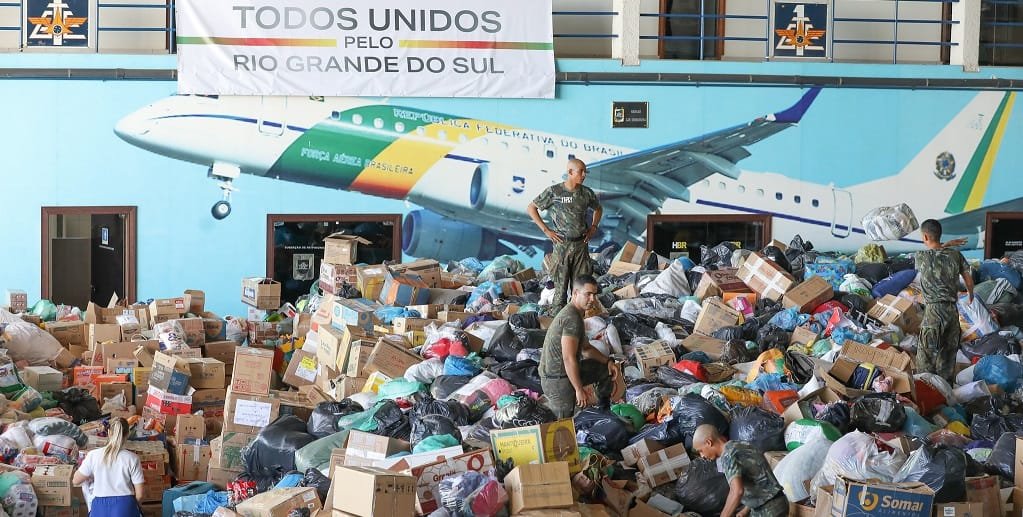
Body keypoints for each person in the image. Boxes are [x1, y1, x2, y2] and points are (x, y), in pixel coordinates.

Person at [527, 158, 603, 310]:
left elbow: (598, 209)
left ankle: (578, 318)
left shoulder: (586, 193)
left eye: (585, 172)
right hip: (562, 246)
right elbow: (531, 208)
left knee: (580, 287)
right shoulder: (554, 191)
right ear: (570, 172)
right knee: (560, 289)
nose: (584, 175)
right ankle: (558, 318)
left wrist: (594, 227)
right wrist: (546, 230)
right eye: (581, 171)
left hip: (581, 246)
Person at [538, 275, 618, 418]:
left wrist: (608, 362)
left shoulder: (576, 314)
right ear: (575, 293)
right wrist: (579, 389)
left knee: (604, 369)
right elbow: (568, 358)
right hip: (556, 379)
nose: (593, 299)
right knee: (564, 424)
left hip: (566, 372)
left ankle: (604, 414)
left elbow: (586, 349)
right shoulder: (572, 318)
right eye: (588, 294)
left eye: (594, 294)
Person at [915, 219, 974, 382]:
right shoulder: (956, 255)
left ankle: (924, 389)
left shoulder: (921, 256)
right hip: (952, 312)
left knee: (926, 357)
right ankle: (945, 391)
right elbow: (968, 280)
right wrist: (971, 294)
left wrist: (945, 245)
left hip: (933, 313)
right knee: (947, 359)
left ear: (925, 237)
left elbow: (935, 253)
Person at [692, 424, 788, 517]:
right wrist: (745, 511)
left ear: (708, 442)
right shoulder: (740, 445)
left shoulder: (728, 456)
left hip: (768, 509)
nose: (702, 456)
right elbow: (759, 481)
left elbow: (737, 491)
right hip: (776, 502)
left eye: (700, 451)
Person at [73, 417, 144, 516]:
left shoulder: (93, 455)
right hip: (125, 507)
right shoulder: (132, 458)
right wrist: (131, 507)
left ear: (109, 432)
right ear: (127, 434)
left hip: (100, 508)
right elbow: (140, 495)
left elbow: (76, 480)